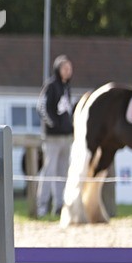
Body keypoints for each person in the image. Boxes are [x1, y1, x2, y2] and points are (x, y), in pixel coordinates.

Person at [36, 56, 74, 217]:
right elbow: (41, 107)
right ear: (58, 69)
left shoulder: (67, 87)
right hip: (52, 138)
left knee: (63, 172)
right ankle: (42, 206)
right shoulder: (51, 85)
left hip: (66, 137)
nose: (68, 71)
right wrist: (54, 125)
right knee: (49, 171)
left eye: (69, 68)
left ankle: (59, 206)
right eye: (65, 68)